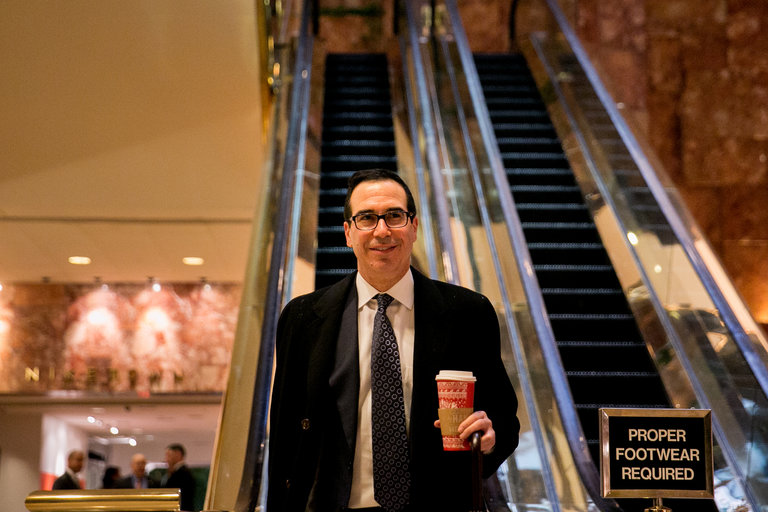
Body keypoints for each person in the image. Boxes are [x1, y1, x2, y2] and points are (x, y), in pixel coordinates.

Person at [267, 168, 520, 511]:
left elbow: (504, 418)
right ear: (348, 233)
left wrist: (488, 439)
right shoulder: (302, 317)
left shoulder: (468, 313)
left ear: (414, 228)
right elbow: (284, 437)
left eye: (395, 216)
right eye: (367, 218)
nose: (382, 231)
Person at [160, 443, 196, 511]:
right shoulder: (178, 472)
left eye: (168, 455)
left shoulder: (183, 474)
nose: (166, 459)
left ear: (178, 454)